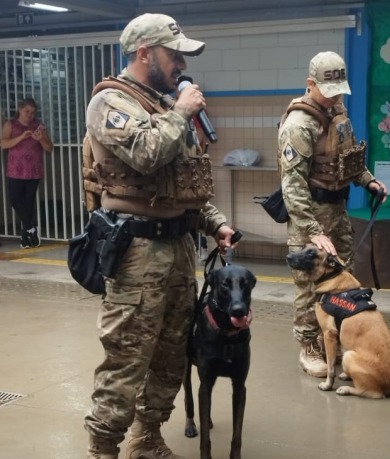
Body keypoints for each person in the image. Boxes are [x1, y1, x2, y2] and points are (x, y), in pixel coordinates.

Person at [82, 13, 236, 459]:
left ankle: (147, 437)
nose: (182, 65)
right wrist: (182, 110)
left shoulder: (165, 108)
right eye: (175, 55)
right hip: (137, 252)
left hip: (179, 249)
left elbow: (185, 182)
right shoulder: (110, 102)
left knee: (172, 354)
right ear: (144, 53)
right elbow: (148, 153)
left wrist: (215, 223)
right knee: (127, 357)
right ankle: (104, 449)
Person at [278, 51, 387, 378]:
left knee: (343, 279)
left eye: (340, 89)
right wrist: (312, 230)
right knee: (310, 285)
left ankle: (334, 339)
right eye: (330, 89)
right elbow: (292, 184)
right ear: (311, 84)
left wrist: (368, 181)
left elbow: (349, 159)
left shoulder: (338, 113)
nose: (336, 96)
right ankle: (309, 346)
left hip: (337, 210)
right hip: (309, 214)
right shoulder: (298, 125)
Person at [1, 97, 54, 248]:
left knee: (29, 204)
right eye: (27, 111)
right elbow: (3, 143)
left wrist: (41, 138)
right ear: (19, 109)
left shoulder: (39, 126)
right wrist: (21, 137)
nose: (29, 115)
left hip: (33, 170)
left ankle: (26, 239)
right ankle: (31, 227)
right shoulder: (11, 124)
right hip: (15, 170)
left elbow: (49, 148)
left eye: (32, 112)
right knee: (15, 199)